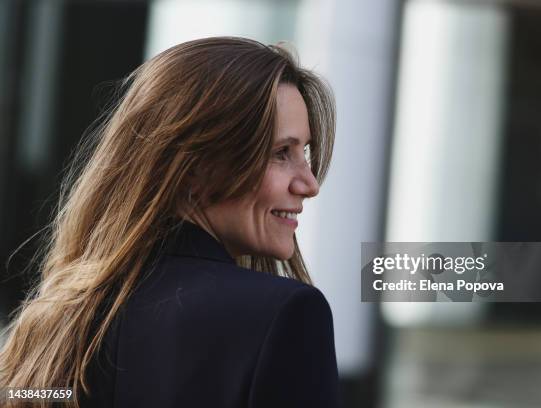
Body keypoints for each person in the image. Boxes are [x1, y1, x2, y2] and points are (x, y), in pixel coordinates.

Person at [0, 37, 339, 407]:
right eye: (280, 153)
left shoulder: (55, 320)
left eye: (303, 153)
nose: (309, 184)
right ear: (194, 167)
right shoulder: (287, 317)